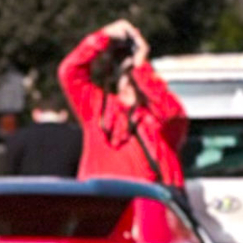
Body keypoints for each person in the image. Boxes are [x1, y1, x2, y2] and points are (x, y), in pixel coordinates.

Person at [55, 18, 188, 189]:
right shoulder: (98, 107)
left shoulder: (156, 118)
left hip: (149, 206)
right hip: (102, 205)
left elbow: (173, 114)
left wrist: (141, 67)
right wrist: (103, 37)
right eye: (126, 73)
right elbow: (69, 72)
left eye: (134, 74)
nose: (130, 79)